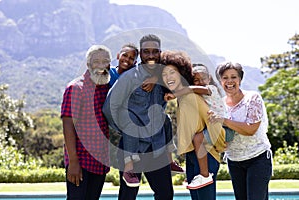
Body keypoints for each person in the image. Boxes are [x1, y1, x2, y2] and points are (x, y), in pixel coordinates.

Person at [103, 34, 174, 200]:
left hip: (157, 146)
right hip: (132, 147)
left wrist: (157, 79)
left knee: (166, 194)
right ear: (140, 54)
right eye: (146, 51)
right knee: (128, 196)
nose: (150, 55)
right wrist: (127, 129)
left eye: (154, 51)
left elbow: (185, 77)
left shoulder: (165, 75)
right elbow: (109, 108)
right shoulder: (129, 77)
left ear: (160, 53)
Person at [160, 50, 226, 200]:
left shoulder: (190, 95)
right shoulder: (184, 97)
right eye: (164, 74)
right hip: (193, 155)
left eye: (173, 72)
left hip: (205, 155)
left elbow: (211, 124)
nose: (169, 77)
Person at [209, 61, 272, 200]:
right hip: (234, 161)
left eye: (234, 77)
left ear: (240, 79)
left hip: (258, 158)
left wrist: (223, 120)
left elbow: (250, 129)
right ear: (220, 81)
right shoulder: (219, 104)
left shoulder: (252, 98)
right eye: (225, 77)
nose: (229, 81)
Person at [61, 45, 112, 200]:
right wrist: (73, 162)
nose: (101, 65)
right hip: (81, 161)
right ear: (88, 64)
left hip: (99, 162)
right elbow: (68, 125)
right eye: (96, 61)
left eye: (105, 61)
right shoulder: (76, 88)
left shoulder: (105, 87)